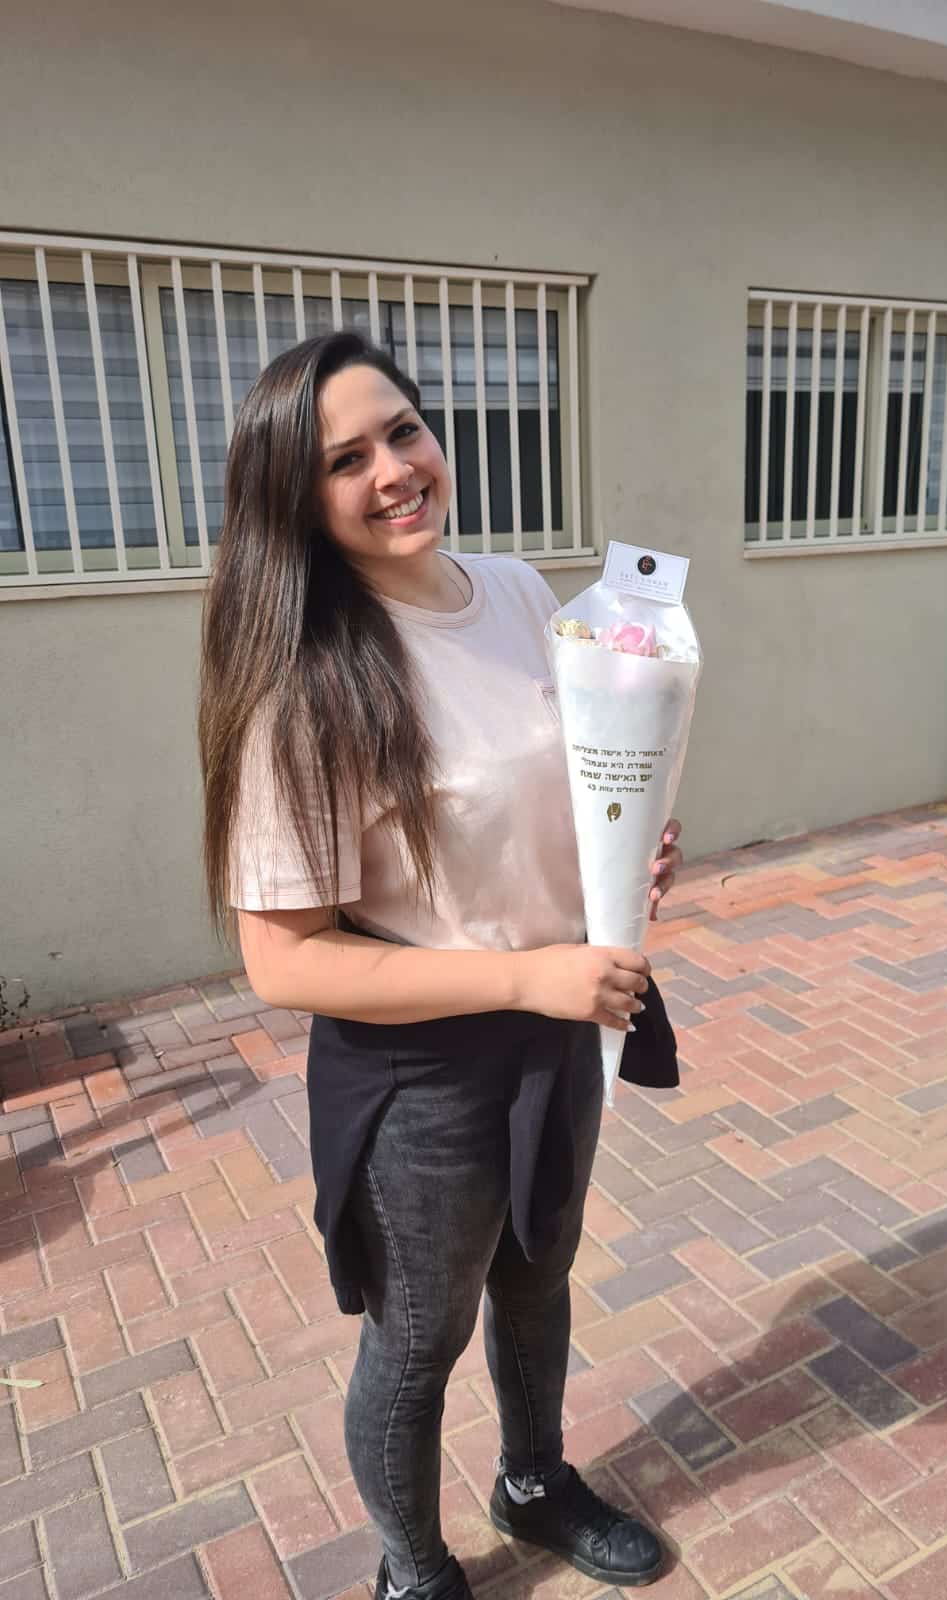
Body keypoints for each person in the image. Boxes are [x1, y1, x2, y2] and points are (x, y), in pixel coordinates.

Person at [197, 331, 684, 1600]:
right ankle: (413, 1571)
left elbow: (553, 787)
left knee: (538, 1280)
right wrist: (525, 977)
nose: (393, 470)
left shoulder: (517, 591)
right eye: (344, 460)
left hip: (560, 1018)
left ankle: (534, 1481)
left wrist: (619, 853)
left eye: (403, 430)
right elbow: (282, 960)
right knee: (418, 1341)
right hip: (421, 1070)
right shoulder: (305, 680)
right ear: (295, 499)